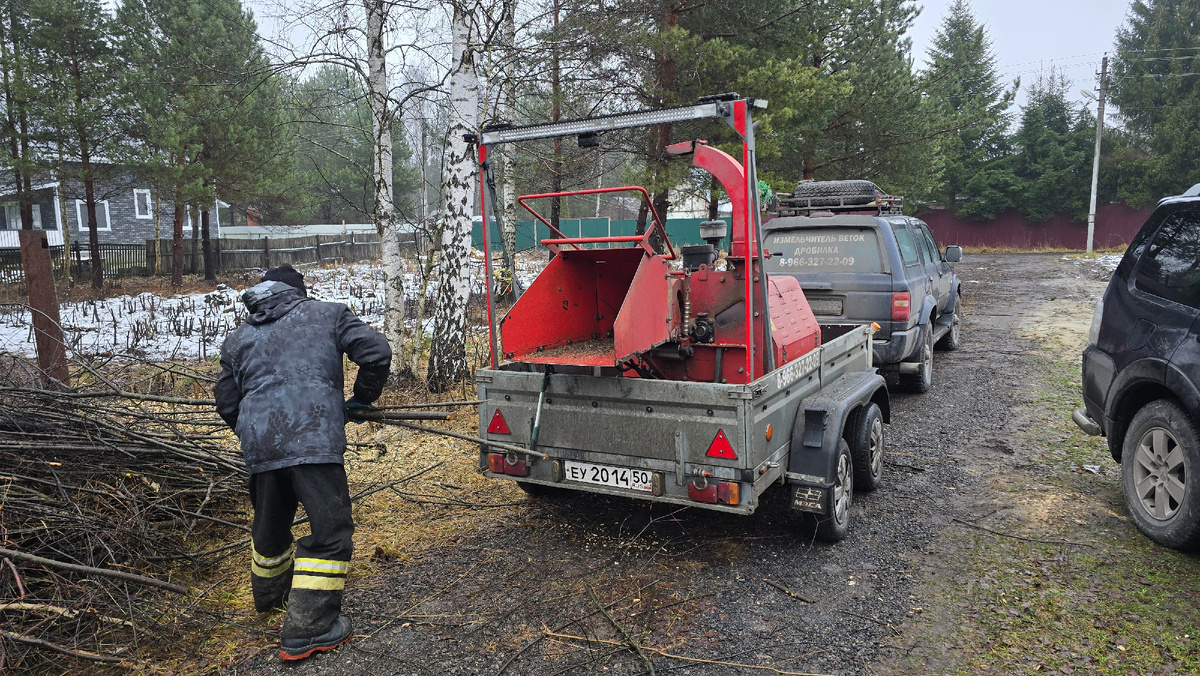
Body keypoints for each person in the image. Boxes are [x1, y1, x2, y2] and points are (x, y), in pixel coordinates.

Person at [214, 264, 391, 661]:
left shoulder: (238, 337)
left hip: (260, 445)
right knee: (330, 534)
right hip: (314, 441)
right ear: (298, 292)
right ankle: (309, 630)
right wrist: (360, 400)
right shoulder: (329, 314)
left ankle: (270, 600)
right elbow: (377, 353)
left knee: (270, 527)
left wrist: (253, 431)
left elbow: (226, 401)